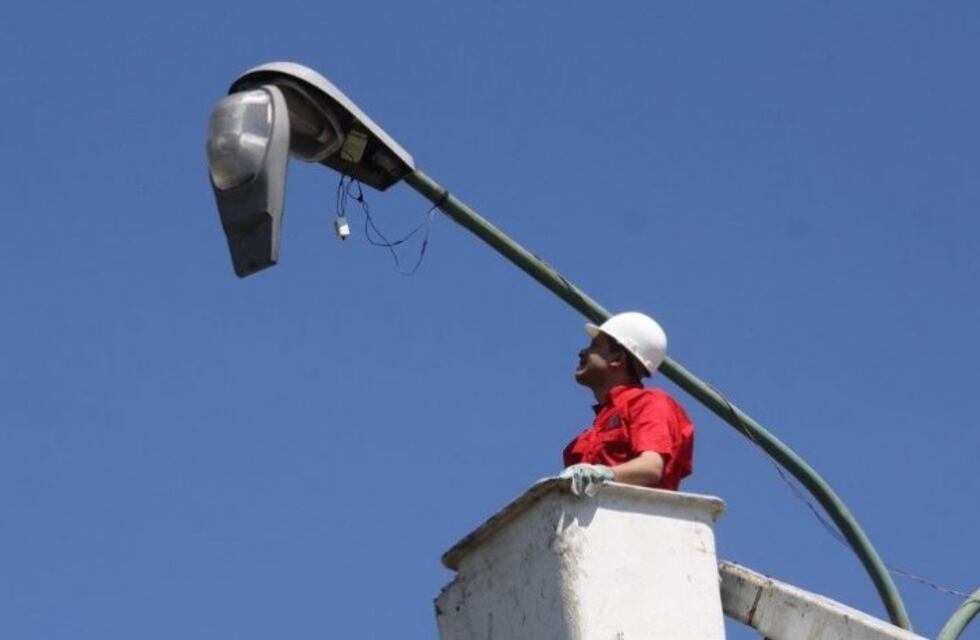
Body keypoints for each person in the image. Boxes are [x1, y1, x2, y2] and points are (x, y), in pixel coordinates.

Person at [559, 312, 694, 496]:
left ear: (618, 359)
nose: (582, 352)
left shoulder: (649, 403)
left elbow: (651, 467)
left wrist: (604, 474)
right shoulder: (587, 436)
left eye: (595, 346)